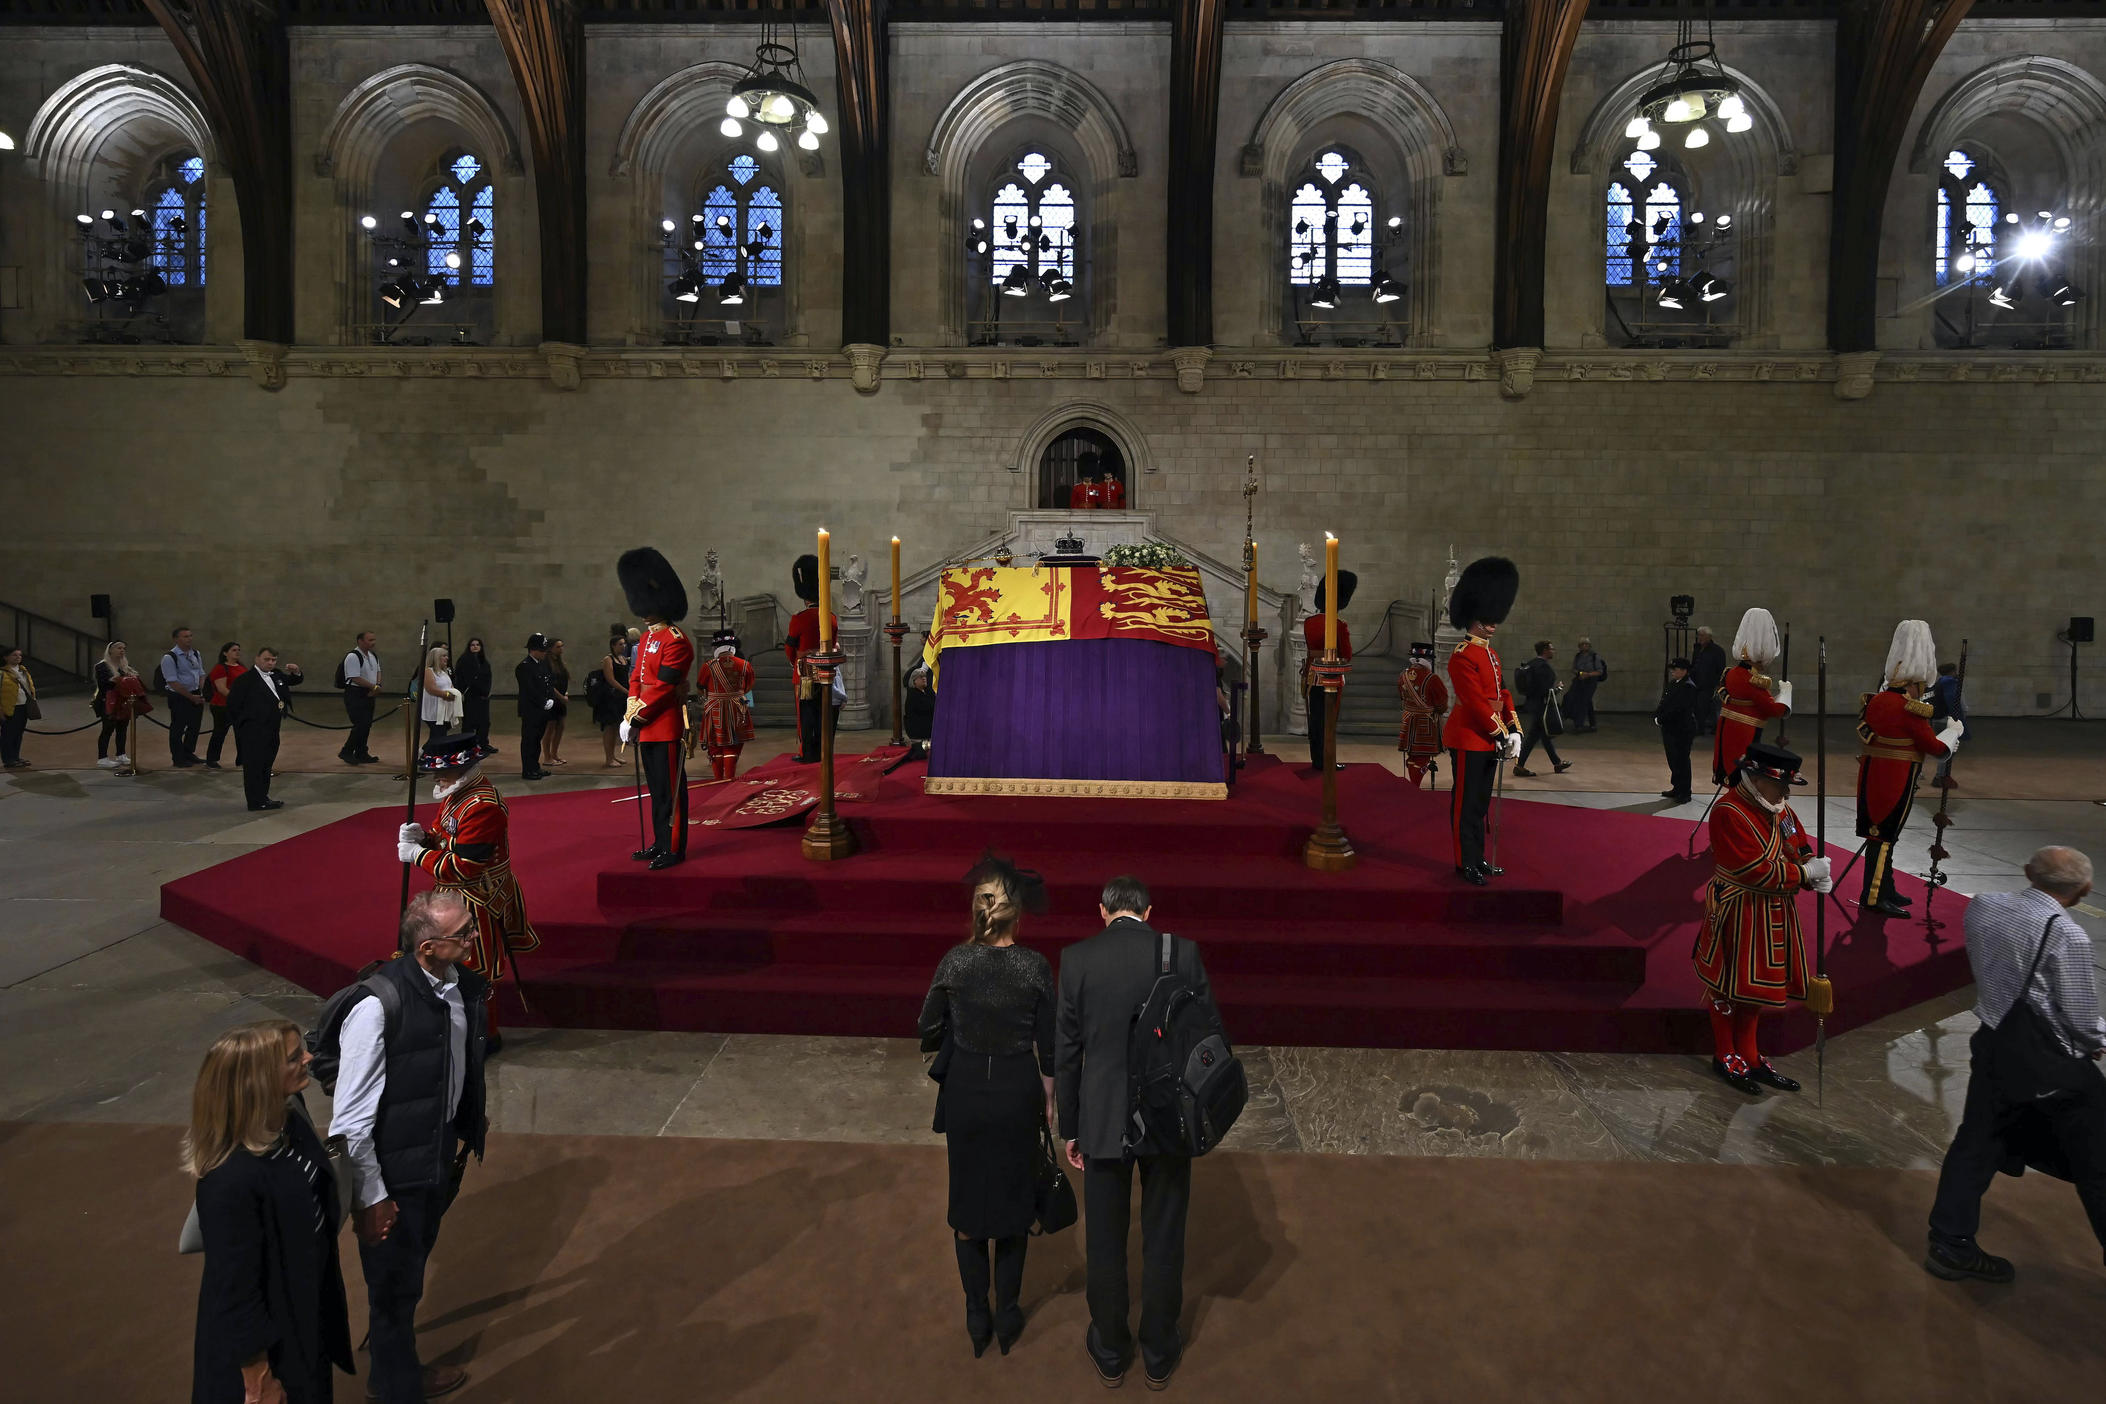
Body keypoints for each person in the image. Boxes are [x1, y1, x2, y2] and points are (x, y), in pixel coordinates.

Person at [1056, 875, 1213, 1391]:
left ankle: (1110, 1349)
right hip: (1168, 1118)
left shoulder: (1077, 960)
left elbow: (1068, 1054)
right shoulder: (1184, 954)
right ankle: (1160, 1350)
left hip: (1102, 1116)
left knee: (1105, 1239)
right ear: (1149, 912)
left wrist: (1072, 1126)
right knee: (1164, 1233)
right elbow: (1204, 1039)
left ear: (1102, 911)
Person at [333, 891, 488, 1403]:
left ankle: (388, 1338)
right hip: (395, 1168)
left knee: (407, 1268)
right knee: (397, 1284)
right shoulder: (377, 1008)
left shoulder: (460, 985)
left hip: (435, 1152)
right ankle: (396, 1383)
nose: (473, 938)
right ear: (426, 949)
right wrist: (371, 1197)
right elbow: (351, 1121)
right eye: (462, 934)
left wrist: (464, 1123)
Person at [1925, 847, 2106, 1284]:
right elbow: (2080, 1018)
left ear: (2028, 873)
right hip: (2052, 1064)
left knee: (1977, 1142)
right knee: (2099, 1162)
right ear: (2083, 890)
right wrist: (2099, 1041)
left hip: (1994, 1045)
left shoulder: (1985, 905)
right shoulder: (2067, 935)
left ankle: (1950, 1244)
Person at [918, 854, 1055, 1358]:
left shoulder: (955, 962)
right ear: (1017, 913)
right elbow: (1050, 1045)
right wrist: (1048, 1098)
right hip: (1018, 1089)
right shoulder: (1035, 967)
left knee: (969, 1205)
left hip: (967, 1091)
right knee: (1015, 1204)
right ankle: (1009, 1312)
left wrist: (957, 1035)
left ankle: (977, 1312)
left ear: (979, 909)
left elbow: (926, 1026)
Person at [184, 1019, 354, 1404]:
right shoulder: (229, 1180)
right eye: (295, 1057)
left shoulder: (288, 1123)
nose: (309, 1058)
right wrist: (259, 1379)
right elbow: (236, 1291)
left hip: (305, 1319)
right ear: (257, 1081)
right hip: (270, 1347)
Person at [1691, 741, 1832, 1095]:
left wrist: (1812, 865)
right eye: (1781, 784)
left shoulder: (1778, 807)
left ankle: (1750, 1054)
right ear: (1756, 778)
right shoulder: (1728, 811)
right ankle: (1725, 1053)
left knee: (1754, 988)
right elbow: (1755, 870)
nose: (1786, 791)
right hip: (1738, 907)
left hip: (1772, 908)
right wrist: (1803, 875)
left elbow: (1796, 842)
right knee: (1727, 982)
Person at [399, 733, 538, 1052]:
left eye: (442, 771)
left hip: (478, 898)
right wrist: (423, 839)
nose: (436, 777)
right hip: (458, 895)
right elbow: (445, 834)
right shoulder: (457, 793)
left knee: (474, 970)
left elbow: (462, 866)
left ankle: (483, 1035)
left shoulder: (482, 805)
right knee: (452, 967)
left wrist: (416, 855)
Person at [1856, 620, 1962, 917]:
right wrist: (1953, 733)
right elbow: (1936, 749)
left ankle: (1885, 887)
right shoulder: (1909, 708)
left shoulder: (1876, 701)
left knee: (1884, 836)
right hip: (1895, 780)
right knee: (1884, 836)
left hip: (1874, 775)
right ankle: (1874, 895)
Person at [1443, 558, 1521, 886]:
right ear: (1475, 617)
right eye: (1489, 619)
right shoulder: (1462, 655)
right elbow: (1474, 702)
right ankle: (1466, 863)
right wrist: (1500, 731)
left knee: (1480, 805)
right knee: (1465, 804)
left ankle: (1478, 858)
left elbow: (1500, 693)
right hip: (1468, 738)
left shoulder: (1491, 654)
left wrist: (1514, 727)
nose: (1493, 625)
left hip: (1488, 739)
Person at [618, 548, 695, 869]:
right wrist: (629, 713)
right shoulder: (650, 638)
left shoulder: (676, 641)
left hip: (664, 726)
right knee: (655, 791)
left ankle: (674, 847)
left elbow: (663, 687)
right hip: (647, 725)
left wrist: (639, 715)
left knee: (670, 793)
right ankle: (659, 842)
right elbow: (637, 677)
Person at [1711, 608, 1791, 787]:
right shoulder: (1752, 680)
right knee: (1742, 779)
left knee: (1731, 774)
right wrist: (1786, 693)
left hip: (1728, 731)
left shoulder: (1731, 673)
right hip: (1744, 735)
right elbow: (1774, 710)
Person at [226, 648, 303, 811]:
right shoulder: (245, 680)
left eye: (273, 660)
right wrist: (246, 724)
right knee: (253, 766)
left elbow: (293, 681)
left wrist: (297, 672)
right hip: (253, 730)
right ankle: (255, 801)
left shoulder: (276, 675)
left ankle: (263, 797)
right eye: (267, 659)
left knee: (266, 764)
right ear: (257, 658)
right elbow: (233, 705)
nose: (270, 663)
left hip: (272, 728)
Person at [784, 554, 838, 764]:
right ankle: (824, 751)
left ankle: (808, 752)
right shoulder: (831, 617)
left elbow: (790, 648)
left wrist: (796, 659)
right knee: (824, 713)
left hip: (805, 674)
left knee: (805, 716)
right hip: (825, 672)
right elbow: (833, 644)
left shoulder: (799, 618)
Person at [1302, 569, 1356, 772]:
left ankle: (1317, 759)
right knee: (1329, 720)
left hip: (1311, 675)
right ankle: (1327, 760)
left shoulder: (1309, 622)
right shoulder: (1338, 624)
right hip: (1330, 675)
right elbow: (1347, 654)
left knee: (1316, 720)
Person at [698, 628, 756, 781]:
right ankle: (729, 778)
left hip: (714, 708)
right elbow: (749, 685)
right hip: (738, 707)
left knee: (715, 745)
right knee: (733, 744)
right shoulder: (745, 665)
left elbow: (700, 687)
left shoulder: (707, 666)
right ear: (733, 647)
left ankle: (718, 780)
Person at [1511, 640, 1572, 778]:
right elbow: (1545, 691)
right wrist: (1558, 688)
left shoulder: (1532, 664)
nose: (1553, 651)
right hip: (1541, 706)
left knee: (1542, 735)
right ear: (1545, 650)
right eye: (1551, 648)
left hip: (1533, 704)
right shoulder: (1543, 667)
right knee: (1534, 736)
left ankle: (1556, 763)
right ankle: (1519, 766)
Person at [1395, 641, 1448, 789]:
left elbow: (1401, 696)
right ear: (1429, 661)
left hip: (1408, 720)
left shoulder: (1403, 676)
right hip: (1426, 723)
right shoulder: (1432, 679)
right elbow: (1442, 705)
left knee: (1412, 755)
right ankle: (1414, 787)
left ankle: (1413, 784)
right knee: (1422, 757)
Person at [1653, 656, 1701, 803]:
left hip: (1681, 729)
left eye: (1676, 669)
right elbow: (1665, 702)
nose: (1673, 671)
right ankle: (1677, 787)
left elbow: (1680, 709)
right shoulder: (1674, 683)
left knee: (1681, 760)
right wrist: (1657, 715)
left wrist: (1661, 719)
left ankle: (1685, 791)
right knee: (1673, 759)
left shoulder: (1688, 686)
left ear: (1684, 671)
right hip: (1670, 728)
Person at [162, 625, 208, 768]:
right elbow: (173, 681)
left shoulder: (195, 653)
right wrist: (190, 696)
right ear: (176, 639)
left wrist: (201, 691)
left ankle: (188, 753)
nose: (189, 639)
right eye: (185, 636)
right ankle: (178, 757)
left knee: (194, 727)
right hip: (179, 696)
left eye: (190, 636)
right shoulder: (169, 657)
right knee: (178, 727)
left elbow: (201, 673)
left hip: (195, 694)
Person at [513, 635, 558, 783]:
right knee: (529, 740)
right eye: (542, 650)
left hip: (542, 710)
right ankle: (528, 769)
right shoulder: (524, 667)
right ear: (533, 650)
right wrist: (542, 702)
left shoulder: (541, 664)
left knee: (537, 739)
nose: (545, 653)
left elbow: (548, 682)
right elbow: (529, 689)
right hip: (531, 710)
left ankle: (535, 766)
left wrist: (551, 698)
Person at [93, 640, 144, 768]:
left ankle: (121, 754)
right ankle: (102, 758)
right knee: (108, 729)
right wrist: (121, 681)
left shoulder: (124, 666)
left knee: (122, 728)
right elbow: (104, 684)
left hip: (123, 701)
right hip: (108, 701)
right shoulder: (102, 666)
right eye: (118, 648)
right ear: (110, 650)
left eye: (123, 648)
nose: (122, 650)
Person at [339, 632, 382, 766]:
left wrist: (377, 685)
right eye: (370, 640)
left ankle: (361, 752)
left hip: (369, 692)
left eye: (374, 639)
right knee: (361, 724)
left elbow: (378, 671)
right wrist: (373, 687)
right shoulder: (353, 656)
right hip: (355, 694)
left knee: (367, 724)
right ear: (360, 641)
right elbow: (354, 677)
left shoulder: (373, 655)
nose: (373, 642)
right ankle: (346, 751)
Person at [204, 642, 246, 771]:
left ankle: (242, 759)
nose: (237, 652)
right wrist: (237, 700)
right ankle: (211, 759)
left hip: (239, 706)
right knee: (219, 733)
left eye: (238, 650)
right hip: (222, 706)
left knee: (242, 733)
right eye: (234, 650)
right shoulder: (220, 668)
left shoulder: (241, 667)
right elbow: (222, 689)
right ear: (225, 653)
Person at [594, 627, 632, 768]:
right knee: (609, 728)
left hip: (621, 698)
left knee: (616, 727)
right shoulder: (608, 659)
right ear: (613, 645)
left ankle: (614, 755)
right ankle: (608, 758)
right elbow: (610, 679)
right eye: (620, 644)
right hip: (610, 698)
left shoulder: (623, 659)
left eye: (624, 643)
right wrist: (625, 691)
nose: (623, 646)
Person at [1929, 660, 1967, 789]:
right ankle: (1940, 776)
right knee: (1946, 749)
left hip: (1938, 719)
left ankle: (1941, 775)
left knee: (1945, 749)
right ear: (1951, 672)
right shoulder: (1949, 683)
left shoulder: (1939, 683)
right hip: (1946, 719)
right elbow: (1956, 702)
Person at [454, 637, 494, 758]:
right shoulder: (464, 660)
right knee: (469, 722)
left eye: (478, 644)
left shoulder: (484, 661)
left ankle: (483, 744)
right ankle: (468, 746)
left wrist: (486, 692)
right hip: (470, 696)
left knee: (484, 722)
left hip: (483, 696)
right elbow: (463, 678)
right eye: (472, 645)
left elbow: (488, 678)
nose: (475, 646)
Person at [419, 645, 461, 751]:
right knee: (438, 734)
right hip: (434, 710)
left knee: (438, 735)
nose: (447, 658)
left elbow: (450, 686)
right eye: (444, 656)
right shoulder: (429, 671)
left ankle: (426, 753)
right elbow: (431, 689)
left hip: (444, 710)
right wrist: (447, 695)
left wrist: (455, 694)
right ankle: (426, 753)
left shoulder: (443, 672)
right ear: (436, 658)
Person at [1, 644, 36, 769]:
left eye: (19, 655)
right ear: (6, 657)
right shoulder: (2, 673)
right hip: (10, 708)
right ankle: (8, 759)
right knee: (8, 734)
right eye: (14, 655)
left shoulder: (23, 670)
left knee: (18, 734)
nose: (18, 657)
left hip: (23, 707)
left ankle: (15, 756)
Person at [1689, 626, 1729, 734]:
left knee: (1704, 705)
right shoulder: (1697, 649)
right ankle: (1701, 726)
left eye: (1702, 635)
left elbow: (1721, 669)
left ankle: (1703, 728)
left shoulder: (1717, 651)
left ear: (1709, 637)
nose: (1699, 637)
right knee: (1697, 706)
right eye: (1699, 635)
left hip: (1709, 683)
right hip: (1697, 682)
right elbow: (1695, 664)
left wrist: (1718, 684)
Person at [904, 638, 936, 760]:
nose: (924, 679)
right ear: (914, 681)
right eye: (920, 677)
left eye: (924, 677)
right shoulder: (913, 694)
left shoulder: (927, 691)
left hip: (926, 724)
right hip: (918, 727)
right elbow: (929, 707)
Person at [1568, 638, 1606, 733]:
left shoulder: (1595, 657)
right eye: (1582, 644)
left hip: (1591, 681)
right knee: (1585, 701)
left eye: (1586, 644)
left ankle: (1579, 725)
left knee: (1584, 701)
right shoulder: (1578, 656)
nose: (1584, 646)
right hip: (1580, 679)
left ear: (1589, 646)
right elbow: (1573, 668)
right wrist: (1580, 673)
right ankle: (1593, 724)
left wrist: (1588, 674)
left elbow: (1599, 671)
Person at [542, 638, 570, 768]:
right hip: (552, 699)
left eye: (562, 646)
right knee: (550, 727)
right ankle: (547, 756)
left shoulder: (559, 663)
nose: (561, 649)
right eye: (558, 647)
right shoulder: (546, 663)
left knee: (561, 726)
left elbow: (563, 680)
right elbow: (549, 685)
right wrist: (560, 696)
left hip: (561, 699)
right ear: (550, 648)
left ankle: (554, 753)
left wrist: (565, 694)